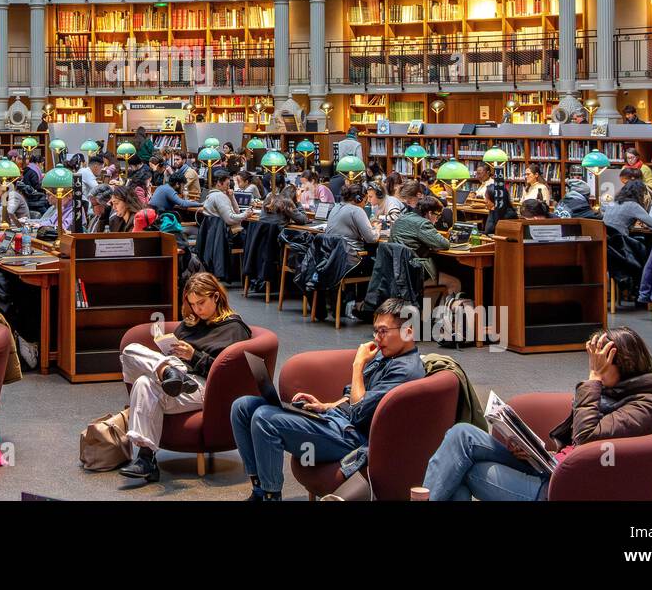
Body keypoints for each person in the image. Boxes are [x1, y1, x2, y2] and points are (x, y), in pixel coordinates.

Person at [422, 327, 652, 501]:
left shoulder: (645, 405)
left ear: (624, 363)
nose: (592, 366)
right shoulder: (612, 391)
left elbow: (587, 437)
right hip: (552, 466)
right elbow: (574, 446)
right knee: (462, 434)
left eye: (599, 361)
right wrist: (533, 452)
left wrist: (594, 379)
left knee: (464, 471)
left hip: (562, 486)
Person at [232, 299, 424, 500]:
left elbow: (359, 413)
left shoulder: (405, 371)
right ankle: (259, 490)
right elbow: (353, 398)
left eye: (383, 331)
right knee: (243, 406)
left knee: (264, 418)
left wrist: (357, 365)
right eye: (375, 331)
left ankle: (271, 496)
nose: (376, 338)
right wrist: (325, 405)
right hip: (337, 422)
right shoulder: (387, 356)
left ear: (408, 332)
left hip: (353, 438)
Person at [117, 274, 252, 483]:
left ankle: (171, 373)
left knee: (147, 378)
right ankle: (146, 460)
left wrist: (194, 356)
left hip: (204, 385)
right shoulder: (191, 324)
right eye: (192, 304)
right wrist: (169, 355)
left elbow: (229, 373)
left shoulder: (233, 328)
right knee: (131, 353)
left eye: (201, 303)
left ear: (216, 297)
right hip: (177, 382)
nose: (197, 309)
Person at [389, 197, 461, 292]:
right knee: (454, 283)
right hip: (413, 273)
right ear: (430, 213)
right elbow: (444, 244)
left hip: (394, 271)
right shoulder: (423, 224)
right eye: (437, 216)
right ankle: (431, 307)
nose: (437, 220)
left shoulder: (402, 218)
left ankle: (427, 305)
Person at [326, 182, 379, 270]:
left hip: (333, 259)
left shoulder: (335, 207)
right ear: (359, 199)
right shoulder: (357, 210)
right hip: (351, 261)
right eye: (365, 200)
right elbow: (371, 238)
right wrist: (377, 228)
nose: (366, 204)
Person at [202, 168, 251, 236]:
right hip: (223, 237)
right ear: (219, 183)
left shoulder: (211, 195)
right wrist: (245, 214)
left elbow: (237, 212)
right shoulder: (220, 196)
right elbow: (230, 219)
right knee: (250, 235)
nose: (228, 188)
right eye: (227, 184)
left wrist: (232, 197)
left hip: (214, 235)